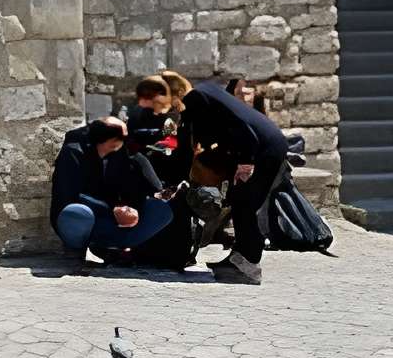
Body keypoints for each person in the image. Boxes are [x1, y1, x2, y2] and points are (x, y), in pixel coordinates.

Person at [184, 74, 296, 285]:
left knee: (245, 202)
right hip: (266, 148)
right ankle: (239, 257)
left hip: (264, 152)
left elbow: (246, 135)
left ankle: (248, 265)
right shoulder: (213, 98)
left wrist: (246, 165)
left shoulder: (201, 101)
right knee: (239, 199)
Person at [49, 111, 179, 269]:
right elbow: (68, 195)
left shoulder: (122, 152)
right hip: (87, 215)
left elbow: (138, 185)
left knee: (161, 209)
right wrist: (112, 209)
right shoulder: (73, 153)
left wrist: (134, 207)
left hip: (114, 218)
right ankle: (77, 247)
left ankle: (111, 248)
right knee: (76, 213)